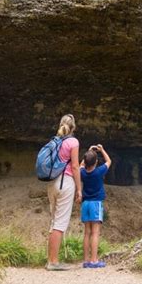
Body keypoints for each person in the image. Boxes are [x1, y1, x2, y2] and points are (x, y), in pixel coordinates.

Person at [46, 113, 82, 270]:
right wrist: (79, 188)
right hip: (65, 183)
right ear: (73, 127)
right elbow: (75, 166)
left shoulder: (55, 141)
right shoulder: (73, 142)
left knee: (54, 222)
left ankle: (50, 259)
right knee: (60, 224)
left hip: (52, 183)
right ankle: (53, 262)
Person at [80, 144, 111, 268]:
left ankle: (86, 260)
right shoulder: (99, 172)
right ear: (96, 162)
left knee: (87, 232)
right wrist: (102, 150)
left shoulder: (82, 172)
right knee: (95, 233)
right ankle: (94, 260)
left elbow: (81, 165)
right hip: (95, 203)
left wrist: (88, 152)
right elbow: (109, 161)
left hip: (85, 204)